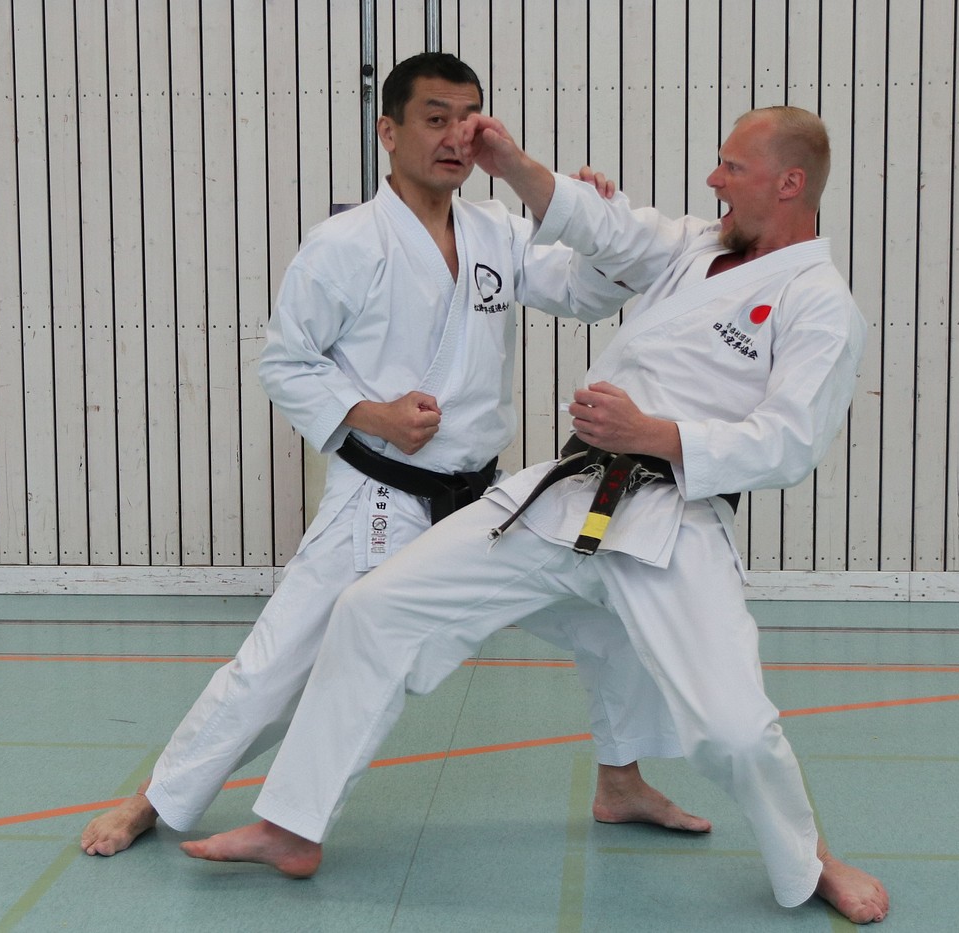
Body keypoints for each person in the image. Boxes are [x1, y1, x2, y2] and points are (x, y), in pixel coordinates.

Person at [180, 105, 891, 924]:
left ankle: (811, 859)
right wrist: (512, 165)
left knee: (732, 730)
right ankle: (291, 824)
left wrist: (653, 433)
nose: (713, 179)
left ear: (790, 183)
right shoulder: (697, 245)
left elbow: (790, 442)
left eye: (732, 167)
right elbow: (609, 228)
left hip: (674, 520)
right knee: (375, 607)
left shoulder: (819, 304)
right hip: (568, 494)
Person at [80, 51, 709, 859]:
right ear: (389, 131)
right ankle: (159, 798)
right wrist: (371, 413)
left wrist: (593, 220)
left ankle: (621, 782)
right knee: (279, 665)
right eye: (434, 118)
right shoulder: (344, 243)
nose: (454, 137)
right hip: (381, 500)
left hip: (485, 502)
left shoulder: (497, 231)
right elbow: (285, 361)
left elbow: (590, 293)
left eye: (468, 120)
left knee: (610, 610)